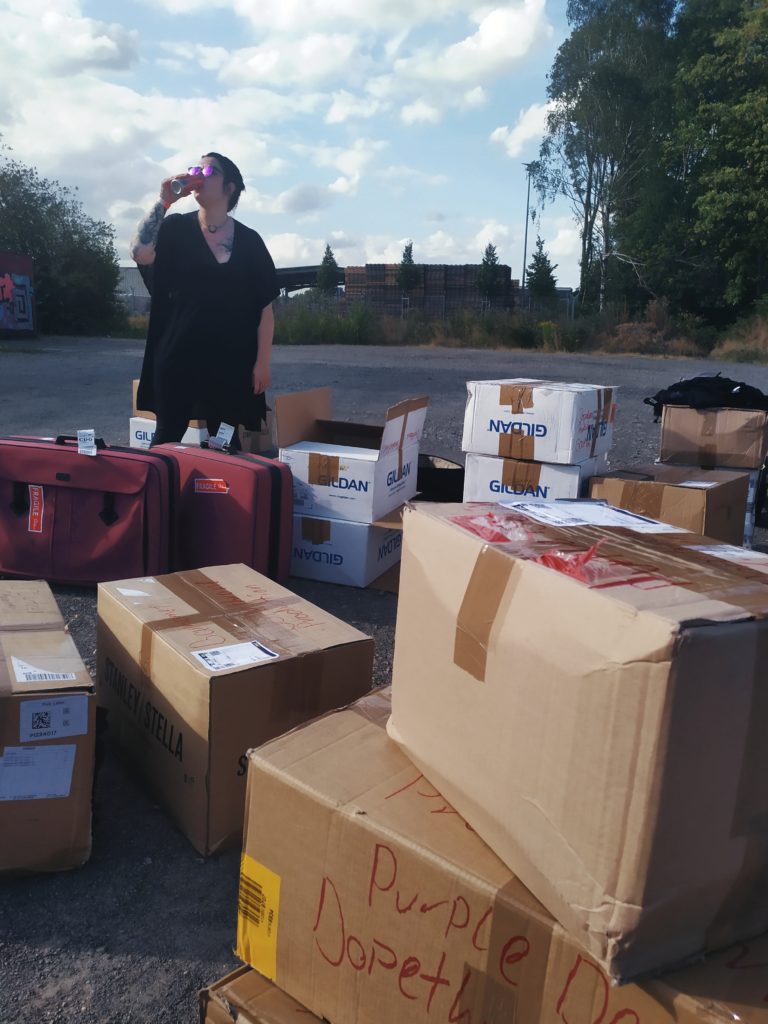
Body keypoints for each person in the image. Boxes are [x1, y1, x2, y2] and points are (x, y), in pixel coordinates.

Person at [130, 152, 278, 449]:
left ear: (230, 187)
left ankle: (225, 495)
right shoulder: (173, 228)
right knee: (166, 439)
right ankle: (161, 495)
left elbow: (265, 308)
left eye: (208, 171)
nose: (196, 175)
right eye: (194, 168)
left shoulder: (250, 241)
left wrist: (262, 363)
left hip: (230, 362)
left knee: (227, 442)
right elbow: (140, 252)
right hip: (177, 358)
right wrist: (164, 201)